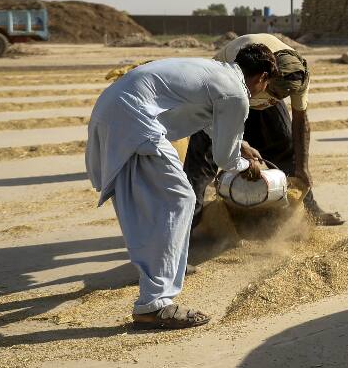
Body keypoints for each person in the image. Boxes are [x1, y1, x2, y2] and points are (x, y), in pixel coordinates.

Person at [85, 46, 276, 329]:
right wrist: (246, 166)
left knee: (145, 205)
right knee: (180, 200)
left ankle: (158, 282)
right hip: (136, 120)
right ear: (262, 77)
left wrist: (241, 146)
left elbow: (206, 119)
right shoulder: (237, 93)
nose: (265, 91)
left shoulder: (216, 73)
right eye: (268, 85)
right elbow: (224, 159)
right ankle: (155, 304)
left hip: (112, 110)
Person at [184, 33, 343, 226]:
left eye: (284, 96)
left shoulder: (298, 73)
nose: (278, 99)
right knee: (202, 162)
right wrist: (239, 145)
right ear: (266, 76)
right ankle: (190, 222)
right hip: (220, 98)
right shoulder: (243, 59)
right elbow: (221, 117)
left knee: (285, 146)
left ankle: (310, 210)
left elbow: (300, 119)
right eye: (275, 93)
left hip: (258, 97)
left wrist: (303, 167)